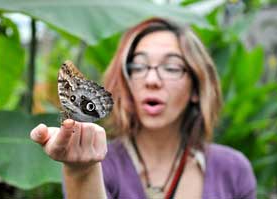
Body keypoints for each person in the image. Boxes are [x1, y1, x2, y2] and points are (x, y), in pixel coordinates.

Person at [30, 17, 256, 199]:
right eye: (138, 67)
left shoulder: (233, 170)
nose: (151, 80)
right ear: (127, 83)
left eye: (171, 67)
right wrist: (82, 170)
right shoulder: (103, 162)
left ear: (196, 88)